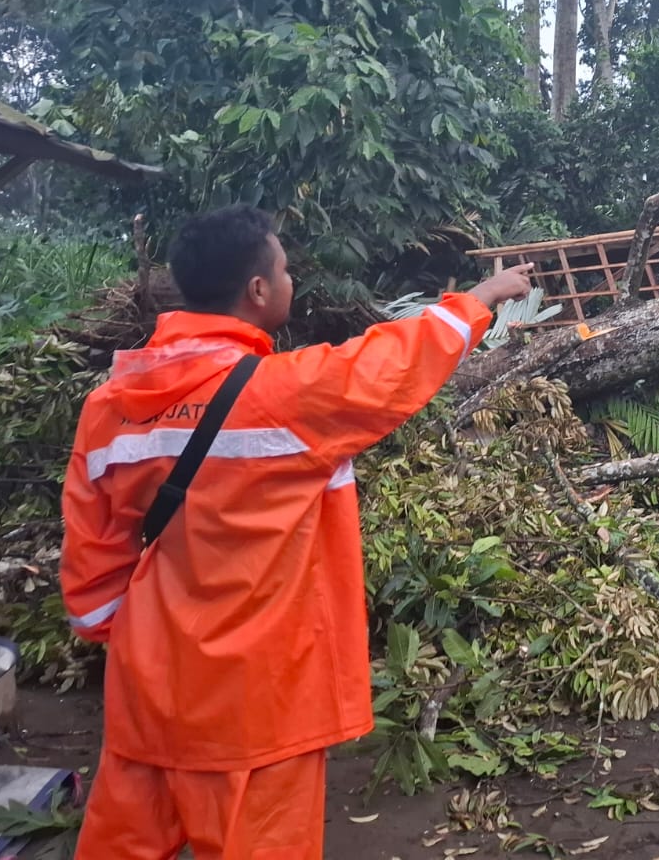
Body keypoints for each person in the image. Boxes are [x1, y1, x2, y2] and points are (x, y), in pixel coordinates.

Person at [60, 205, 533, 859]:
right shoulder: (288, 397)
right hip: (259, 702)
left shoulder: (112, 408)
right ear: (257, 291)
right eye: (283, 271)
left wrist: (142, 645)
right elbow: (396, 362)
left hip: (149, 694)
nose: (290, 283)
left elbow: (91, 564)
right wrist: (480, 299)